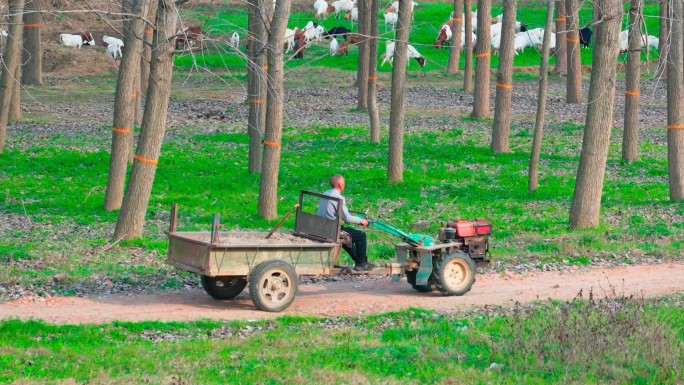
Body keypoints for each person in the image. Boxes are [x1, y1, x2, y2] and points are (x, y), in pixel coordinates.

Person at [316, 174, 375, 271]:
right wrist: (361, 221)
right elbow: (347, 218)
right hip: (332, 229)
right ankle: (361, 264)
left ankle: (359, 261)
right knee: (361, 236)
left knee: (347, 236)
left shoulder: (325, 193)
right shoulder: (339, 198)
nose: (344, 184)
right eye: (344, 182)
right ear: (340, 184)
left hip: (321, 226)